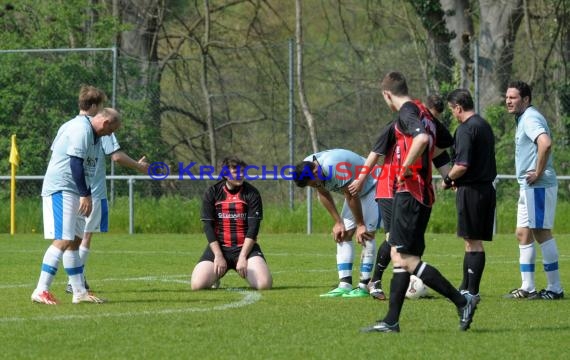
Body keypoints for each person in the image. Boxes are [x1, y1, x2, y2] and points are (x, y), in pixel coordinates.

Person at [359, 71, 477, 333]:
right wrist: (445, 174)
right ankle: (391, 321)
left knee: (406, 259)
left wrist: (405, 167)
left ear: (388, 95)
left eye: (385, 99)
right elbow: (442, 143)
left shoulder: (408, 111)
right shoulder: (425, 112)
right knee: (401, 259)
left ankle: (462, 301)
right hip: (420, 196)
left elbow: (423, 140)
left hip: (410, 193)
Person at [349, 98, 453, 301]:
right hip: (389, 188)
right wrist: (361, 179)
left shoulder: (427, 130)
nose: (431, 120)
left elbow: (439, 155)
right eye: (431, 116)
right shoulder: (397, 126)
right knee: (393, 238)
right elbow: (375, 153)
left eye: (435, 119)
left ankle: (411, 280)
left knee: (409, 241)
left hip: (412, 190)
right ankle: (375, 282)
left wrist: (451, 178)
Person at [64, 86, 150, 294]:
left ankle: (75, 279)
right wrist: (139, 167)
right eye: (101, 106)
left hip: (73, 188)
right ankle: (75, 280)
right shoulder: (99, 127)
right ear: (95, 107)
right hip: (91, 190)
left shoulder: (71, 124)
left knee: (76, 235)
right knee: (84, 235)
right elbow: (116, 156)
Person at [32, 106, 121, 305]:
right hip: (63, 188)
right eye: (112, 129)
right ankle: (41, 289)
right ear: (105, 122)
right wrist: (85, 195)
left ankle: (79, 291)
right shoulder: (81, 129)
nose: (112, 134)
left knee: (74, 241)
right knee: (63, 239)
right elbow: (74, 163)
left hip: (77, 190)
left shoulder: (95, 135)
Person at [504, 81, 564, 300]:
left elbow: (545, 143)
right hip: (528, 186)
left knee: (541, 232)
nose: (508, 101)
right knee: (523, 233)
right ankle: (527, 287)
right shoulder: (523, 119)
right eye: (507, 97)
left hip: (538, 185)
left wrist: (538, 172)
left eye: (513, 97)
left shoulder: (530, 118)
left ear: (526, 99)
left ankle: (555, 288)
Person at [293, 149, 380, 298]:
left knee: (366, 234)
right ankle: (345, 285)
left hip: (374, 185)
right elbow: (322, 192)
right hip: (355, 193)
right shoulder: (309, 165)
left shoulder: (333, 166)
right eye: (311, 186)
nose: (315, 186)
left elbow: (351, 195)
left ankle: (364, 286)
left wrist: (360, 224)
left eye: (314, 183)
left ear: (315, 171)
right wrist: (338, 222)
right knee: (343, 233)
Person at [443, 89, 497, 300]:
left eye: (452, 110)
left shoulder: (466, 129)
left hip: (472, 191)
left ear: (458, 107)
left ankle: (472, 291)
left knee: (473, 242)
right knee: (470, 240)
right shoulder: (484, 125)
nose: (453, 114)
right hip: (485, 189)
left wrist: (448, 180)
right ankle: (465, 286)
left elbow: (462, 164)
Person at [191, 156, 272, 290]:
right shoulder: (213, 192)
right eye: (236, 172)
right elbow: (208, 227)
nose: (240, 175)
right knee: (197, 286)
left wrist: (242, 257)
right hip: (220, 248)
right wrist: (218, 255)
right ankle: (214, 278)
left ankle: (252, 270)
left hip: (245, 248)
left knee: (264, 285)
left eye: (242, 171)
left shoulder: (252, 193)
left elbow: (253, 229)